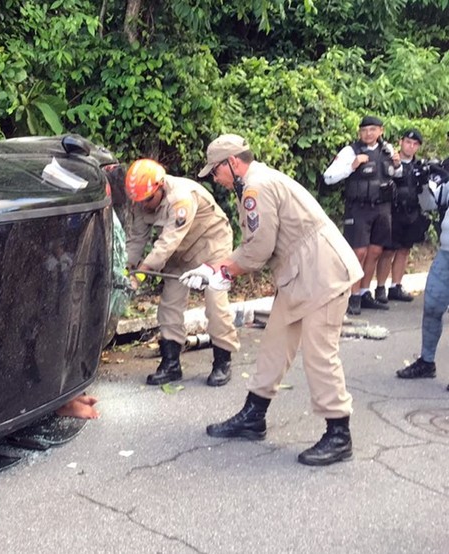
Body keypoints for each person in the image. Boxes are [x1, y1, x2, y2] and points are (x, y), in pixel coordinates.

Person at [182, 134, 363, 466]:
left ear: (232, 162)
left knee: (320, 354)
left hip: (322, 274)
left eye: (216, 170)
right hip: (300, 274)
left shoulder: (256, 187)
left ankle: (339, 433)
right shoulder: (253, 183)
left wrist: (220, 270)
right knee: (274, 346)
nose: (215, 178)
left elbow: (258, 249)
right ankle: (254, 416)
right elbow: (256, 245)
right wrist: (216, 268)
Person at [123, 158, 240, 387]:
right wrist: (126, 269)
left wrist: (140, 274)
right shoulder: (142, 200)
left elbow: (167, 242)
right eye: (139, 201)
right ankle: (171, 364)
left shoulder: (180, 198)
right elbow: (136, 239)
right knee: (170, 304)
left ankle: (222, 361)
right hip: (179, 252)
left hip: (211, 247)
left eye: (148, 200)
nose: (144, 205)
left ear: (160, 186)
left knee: (215, 303)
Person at [322, 115, 402, 315]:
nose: (368, 134)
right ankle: (353, 295)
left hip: (382, 208)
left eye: (373, 129)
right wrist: (352, 166)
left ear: (381, 131)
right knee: (358, 253)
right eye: (364, 130)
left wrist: (398, 164)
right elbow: (328, 177)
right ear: (359, 132)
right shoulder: (350, 151)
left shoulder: (387, 149)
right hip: (358, 208)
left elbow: (396, 174)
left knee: (375, 251)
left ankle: (365, 292)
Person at [394, 164, 449, 384]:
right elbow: (429, 204)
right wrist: (423, 184)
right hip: (446, 253)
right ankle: (427, 362)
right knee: (433, 306)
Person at [375, 129, 429, 303]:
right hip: (393, 212)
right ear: (401, 142)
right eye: (408, 142)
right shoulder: (390, 161)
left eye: (415, 144)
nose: (411, 146)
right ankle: (380, 287)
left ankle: (396, 286)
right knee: (388, 251)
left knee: (404, 250)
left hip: (412, 213)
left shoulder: (419, 166)